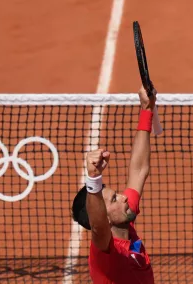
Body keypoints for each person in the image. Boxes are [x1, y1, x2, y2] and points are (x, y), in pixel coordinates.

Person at [72, 86, 156, 283]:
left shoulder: (125, 219)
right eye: (114, 199)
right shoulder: (105, 252)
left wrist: (146, 110)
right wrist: (93, 178)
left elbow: (139, 170)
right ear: (105, 217)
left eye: (116, 194)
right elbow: (98, 226)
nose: (124, 197)